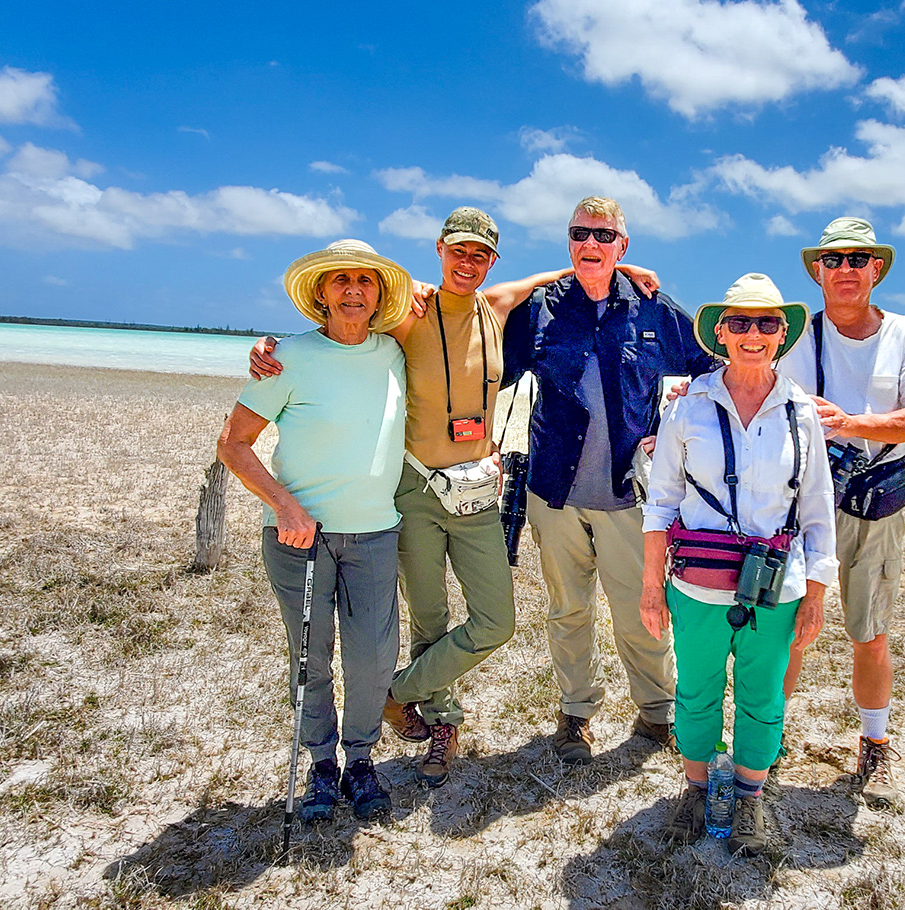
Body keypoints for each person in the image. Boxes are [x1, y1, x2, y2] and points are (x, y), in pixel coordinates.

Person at [248, 208, 660, 786]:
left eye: (480, 255)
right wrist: (271, 347)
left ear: (492, 261)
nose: (467, 263)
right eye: (457, 251)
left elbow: (555, 278)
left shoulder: (496, 309)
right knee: (430, 616)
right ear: (439, 249)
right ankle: (442, 724)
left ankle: (396, 691)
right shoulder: (405, 316)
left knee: (496, 620)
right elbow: (339, 336)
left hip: (476, 487)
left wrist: (626, 266)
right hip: (414, 487)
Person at [502, 195, 720, 764]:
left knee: (642, 610)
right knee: (567, 610)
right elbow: (483, 361)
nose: (591, 245)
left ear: (623, 245)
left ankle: (655, 713)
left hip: (632, 495)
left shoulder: (651, 308)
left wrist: (675, 418)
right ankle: (575, 714)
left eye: (604, 236)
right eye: (580, 234)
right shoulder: (541, 310)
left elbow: (715, 368)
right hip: (555, 491)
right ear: (568, 242)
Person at [215, 239, 411, 821]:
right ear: (321, 293)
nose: (354, 289)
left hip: (376, 533)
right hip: (301, 537)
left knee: (374, 658)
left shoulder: (396, 351)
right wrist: (284, 505)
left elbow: (474, 296)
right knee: (311, 656)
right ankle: (322, 766)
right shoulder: (288, 357)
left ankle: (360, 761)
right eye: (340, 280)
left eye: (365, 280)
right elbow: (234, 444)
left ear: (379, 294)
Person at [640, 273, 834, 857]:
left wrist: (819, 594)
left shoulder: (803, 413)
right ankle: (696, 791)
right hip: (696, 585)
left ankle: (750, 797)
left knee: (761, 696)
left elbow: (818, 512)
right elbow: (660, 502)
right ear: (720, 332)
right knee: (696, 691)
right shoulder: (686, 407)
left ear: (782, 335)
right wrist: (652, 587)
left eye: (767, 324)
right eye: (741, 323)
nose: (754, 334)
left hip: (777, 587)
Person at [776, 217, 905, 808]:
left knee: (868, 632)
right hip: (802, 501)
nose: (845, 268)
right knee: (787, 632)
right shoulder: (794, 335)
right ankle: (770, 740)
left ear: (876, 269)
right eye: (834, 258)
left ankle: (875, 740)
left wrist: (849, 424)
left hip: (875, 500)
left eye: (857, 258)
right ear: (818, 270)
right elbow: (749, 378)